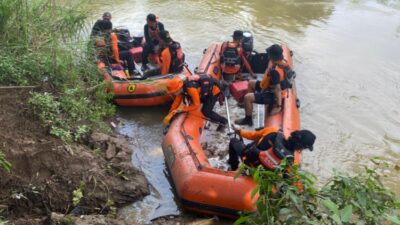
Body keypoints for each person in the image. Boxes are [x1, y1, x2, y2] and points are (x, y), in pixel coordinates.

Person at [235, 44, 292, 126]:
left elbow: (277, 89)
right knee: (251, 83)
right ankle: (249, 107)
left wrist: (278, 106)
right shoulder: (283, 63)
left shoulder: (275, 71)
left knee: (247, 97)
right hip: (270, 87)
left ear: (272, 56)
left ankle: (248, 119)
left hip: (272, 95)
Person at [228, 126, 316, 171]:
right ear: (301, 147)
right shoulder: (290, 159)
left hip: (247, 159)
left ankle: (233, 166)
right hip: (260, 174)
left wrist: (240, 132)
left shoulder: (273, 131)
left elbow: (253, 135)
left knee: (233, 141)